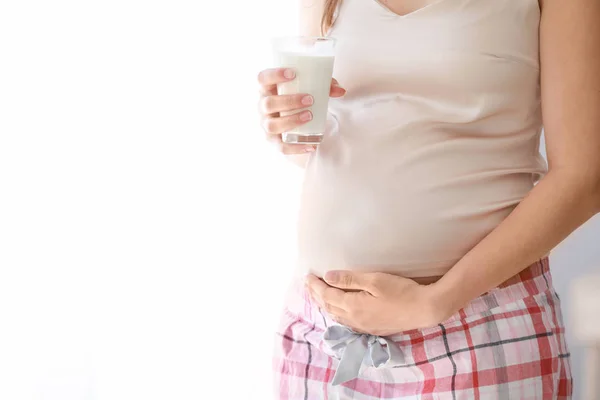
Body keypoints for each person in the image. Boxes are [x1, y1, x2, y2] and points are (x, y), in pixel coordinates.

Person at [257, 0, 599, 398]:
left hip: (477, 332)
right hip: (323, 333)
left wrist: (435, 302)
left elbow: (584, 177)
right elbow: (341, 142)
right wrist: (286, 128)